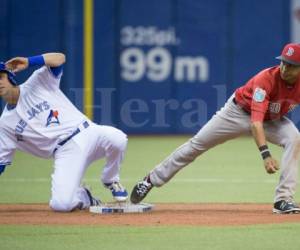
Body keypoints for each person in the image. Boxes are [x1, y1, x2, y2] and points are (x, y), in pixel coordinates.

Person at [130, 43, 300, 214]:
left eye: (291, 65)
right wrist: (266, 154)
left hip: (271, 120)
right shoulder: (267, 78)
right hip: (237, 113)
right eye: (283, 62)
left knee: (294, 138)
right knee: (196, 145)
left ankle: (283, 200)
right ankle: (150, 180)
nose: (285, 68)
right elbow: (256, 122)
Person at [0, 53, 128, 212]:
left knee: (119, 139)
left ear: (10, 77)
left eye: (0, 78)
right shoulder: (5, 125)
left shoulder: (37, 82)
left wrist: (29, 61)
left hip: (89, 131)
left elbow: (59, 58)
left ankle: (110, 179)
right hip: (66, 152)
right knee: (61, 205)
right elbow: (1, 163)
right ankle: (84, 196)